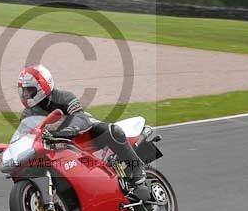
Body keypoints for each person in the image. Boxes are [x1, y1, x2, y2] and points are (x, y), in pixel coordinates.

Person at [17, 64, 149, 198]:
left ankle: (138, 169)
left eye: (30, 90)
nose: (25, 94)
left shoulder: (63, 97)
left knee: (110, 130)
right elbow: (24, 138)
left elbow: (80, 117)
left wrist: (69, 130)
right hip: (54, 148)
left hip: (84, 137)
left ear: (43, 86)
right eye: (23, 90)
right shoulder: (27, 114)